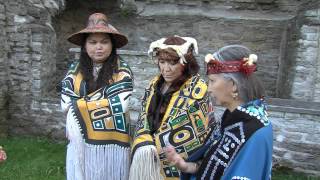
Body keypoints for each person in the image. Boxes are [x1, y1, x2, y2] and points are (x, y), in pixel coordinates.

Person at [165, 45, 273, 180]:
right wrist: (186, 166)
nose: (208, 89)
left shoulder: (256, 131)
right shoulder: (230, 119)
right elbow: (214, 166)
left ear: (233, 85)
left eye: (212, 81)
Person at [60, 13, 133, 180]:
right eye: (93, 42)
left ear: (112, 45)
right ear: (84, 45)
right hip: (80, 141)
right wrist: (102, 101)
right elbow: (64, 104)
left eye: (104, 42)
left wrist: (78, 105)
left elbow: (121, 104)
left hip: (112, 143)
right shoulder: (74, 70)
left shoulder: (122, 71)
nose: (98, 47)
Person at [129, 36, 212, 180]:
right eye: (162, 62)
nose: (166, 69)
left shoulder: (197, 88)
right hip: (147, 156)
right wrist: (144, 141)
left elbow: (198, 130)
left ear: (186, 63)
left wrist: (155, 145)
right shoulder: (154, 84)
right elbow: (144, 116)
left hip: (179, 166)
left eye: (173, 63)